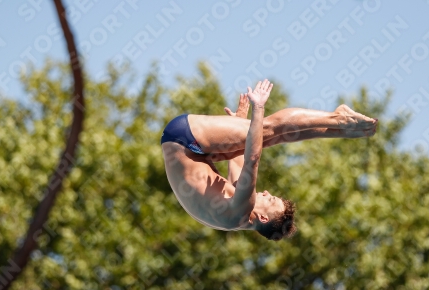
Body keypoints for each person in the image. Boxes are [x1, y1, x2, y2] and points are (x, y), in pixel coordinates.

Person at [161, 79, 378, 241]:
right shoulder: (234, 218)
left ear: (263, 218)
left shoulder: (241, 210)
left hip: (185, 138)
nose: (266, 193)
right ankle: (343, 131)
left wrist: (259, 108)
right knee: (271, 138)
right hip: (193, 148)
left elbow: (252, 158)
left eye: (271, 200)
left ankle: (339, 118)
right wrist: (238, 124)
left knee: (269, 127)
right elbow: (239, 159)